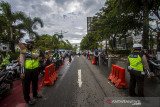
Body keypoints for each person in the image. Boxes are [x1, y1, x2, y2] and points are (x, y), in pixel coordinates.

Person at [19, 39, 42, 105]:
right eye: (28, 43)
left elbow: (36, 56)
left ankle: (35, 94)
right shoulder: (22, 52)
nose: (30, 45)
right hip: (27, 71)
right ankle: (27, 99)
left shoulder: (36, 51)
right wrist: (22, 72)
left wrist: (26, 52)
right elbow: (22, 62)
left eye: (31, 44)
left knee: (35, 83)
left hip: (35, 70)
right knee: (26, 86)